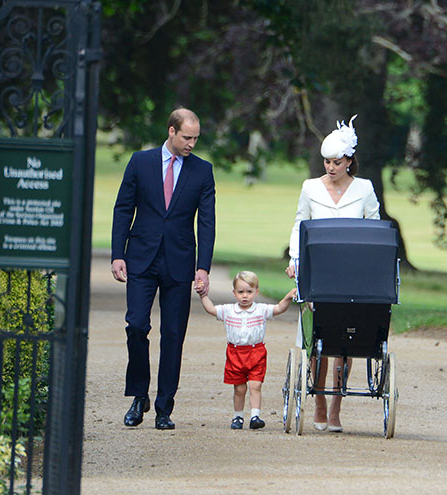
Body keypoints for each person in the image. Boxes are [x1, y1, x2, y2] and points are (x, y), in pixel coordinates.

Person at [111, 108, 215, 430]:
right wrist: (118, 254)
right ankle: (138, 395)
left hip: (180, 261)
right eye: (187, 137)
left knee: (173, 335)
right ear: (171, 132)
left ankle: (164, 408)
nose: (191, 144)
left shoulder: (202, 171)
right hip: (141, 256)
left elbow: (207, 222)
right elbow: (123, 208)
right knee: (136, 326)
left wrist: (203, 267)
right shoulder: (140, 163)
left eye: (196, 138)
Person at [285, 115, 380, 432]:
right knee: (318, 339)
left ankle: (336, 405)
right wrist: (295, 260)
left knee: (345, 340)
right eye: (326, 162)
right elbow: (300, 224)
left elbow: (375, 230)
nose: (331, 167)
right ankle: (319, 400)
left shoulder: (364, 189)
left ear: (349, 161)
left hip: (352, 271)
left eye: (337, 162)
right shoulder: (310, 188)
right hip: (318, 269)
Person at [199, 271, 297, 430]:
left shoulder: (261, 310)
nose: (245, 296)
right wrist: (203, 295)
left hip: (256, 352)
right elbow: (212, 310)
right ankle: (237, 417)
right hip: (235, 353)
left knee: (255, 385)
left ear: (257, 292)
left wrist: (287, 297)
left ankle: (255, 416)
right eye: (241, 292)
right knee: (239, 388)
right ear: (234, 293)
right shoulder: (229, 310)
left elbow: (279, 308)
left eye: (249, 292)